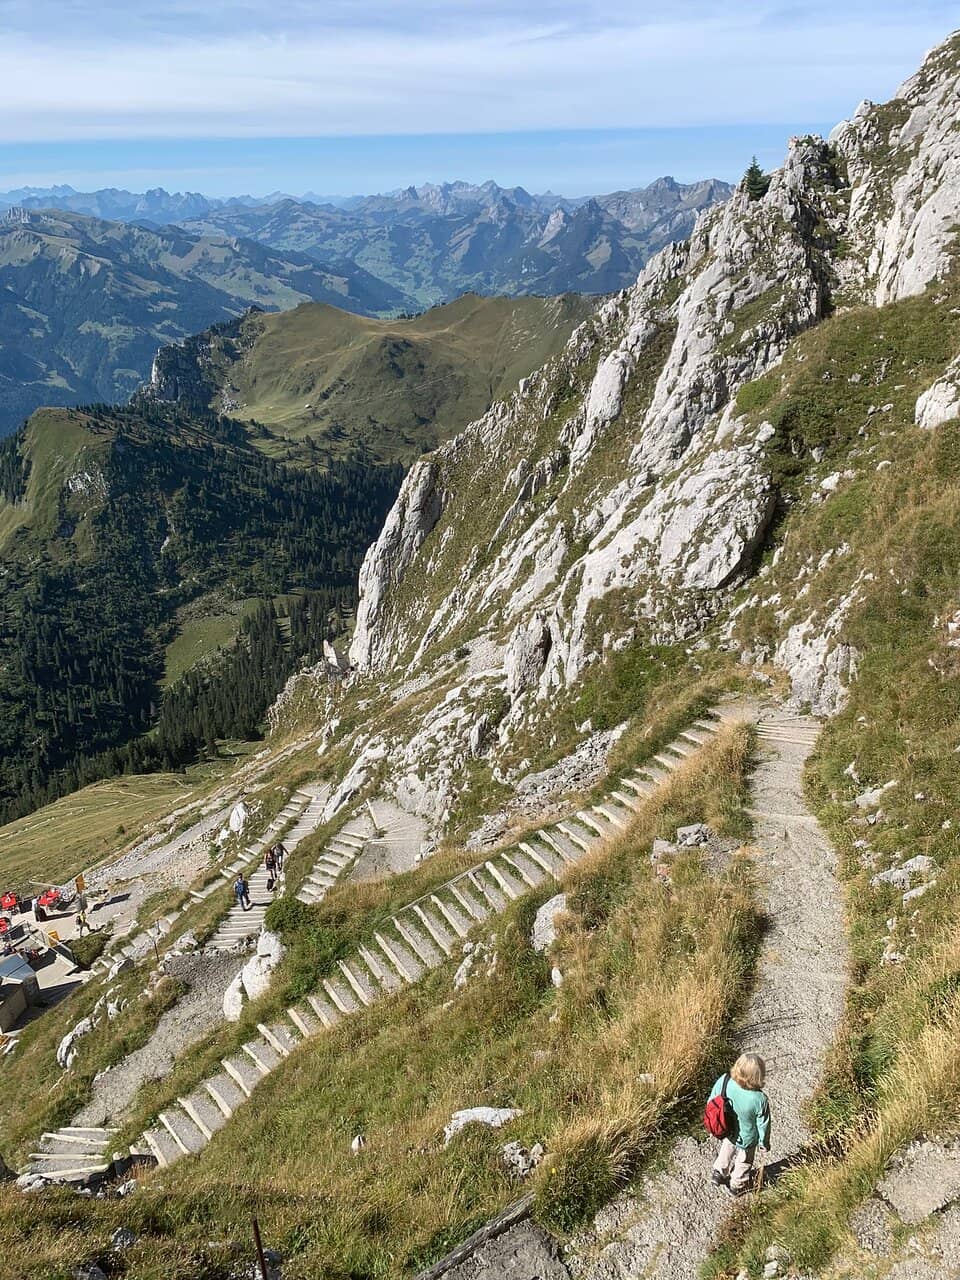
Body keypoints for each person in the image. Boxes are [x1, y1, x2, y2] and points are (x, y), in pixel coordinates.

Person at [708, 1052, 771, 1195]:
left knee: (727, 1146)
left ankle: (719, 1172)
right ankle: (737, 1184)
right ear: (758, 1076)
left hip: (728, 1128)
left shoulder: (725, 1080)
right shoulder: (760, 1099)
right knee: (744, 1160)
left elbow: (712, 1100)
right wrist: (764, 1143)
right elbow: (763, 1125)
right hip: (747, 1138)